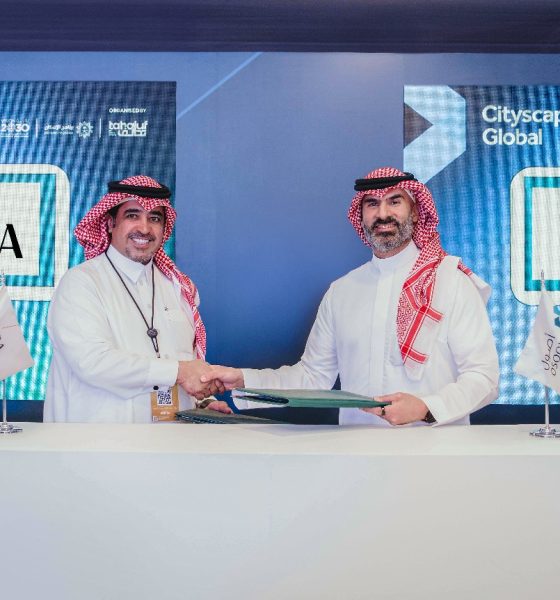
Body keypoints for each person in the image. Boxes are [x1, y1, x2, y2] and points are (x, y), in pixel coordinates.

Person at [203, 167, 499, 426]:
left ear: (415, 211)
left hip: (435, 455)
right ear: (361, 215)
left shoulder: (451, 282)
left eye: (395, 201)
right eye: (372, 204)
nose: (383, 214)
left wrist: (426, 408)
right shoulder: (342, 291)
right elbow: (311, 378)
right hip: (357, 457)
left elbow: (484, 377)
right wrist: (244, 380)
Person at [44, 175, 229, 423]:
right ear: (110, 223)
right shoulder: (81, 283)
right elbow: (94, 362)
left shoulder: (178, 287)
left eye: (155, 218)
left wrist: (202, 401)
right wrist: (180, 372)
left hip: (173, 439)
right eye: (133, 215)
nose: (144, 228)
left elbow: (184, 358)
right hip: (99, 439)